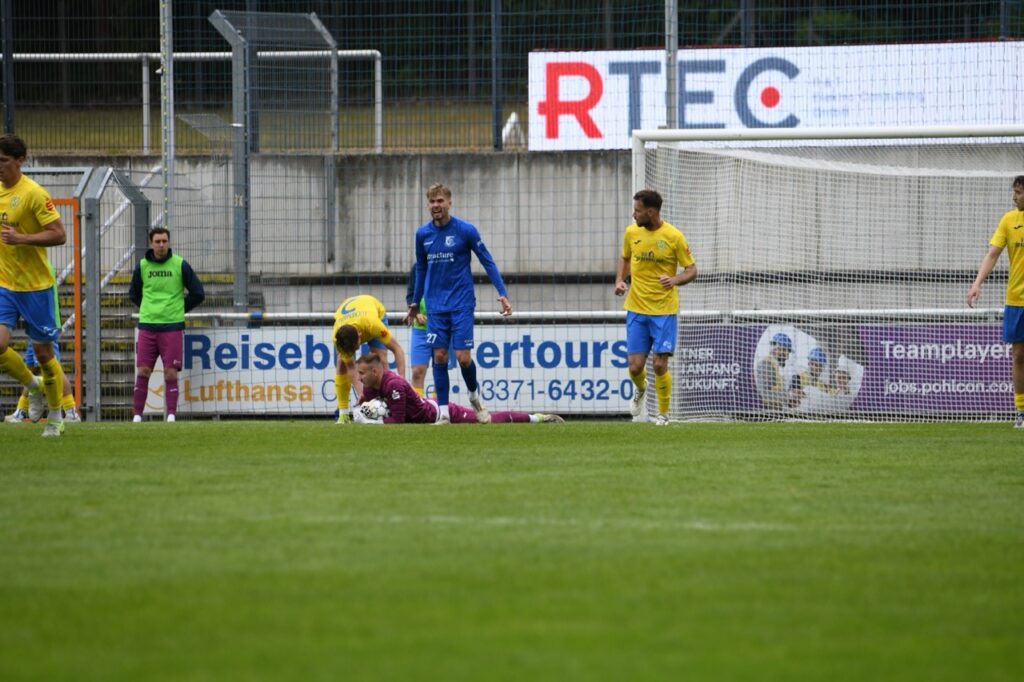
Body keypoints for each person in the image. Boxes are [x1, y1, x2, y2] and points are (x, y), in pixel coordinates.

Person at [406, 183, 512, 425]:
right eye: (432, 202)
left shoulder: (465, 230)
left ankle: (474, 396)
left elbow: (488, 261)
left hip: (462, 303)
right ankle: (443, 412)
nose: (436, 206)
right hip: (434, 305)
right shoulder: (422, 234)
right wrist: (415, 301)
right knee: (440, 355)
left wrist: (503, 292)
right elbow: (421, 269)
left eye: (440, 201)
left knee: (463, 357)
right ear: (428, 204)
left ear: (449, 203)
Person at [0, 133, 68, 437]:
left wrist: (22, 238)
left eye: (3, 161)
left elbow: (59, 234)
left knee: (44, 355)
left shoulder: (34, 194)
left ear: (19, 161)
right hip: (5, 284)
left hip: (37, 287)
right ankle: (33, 385)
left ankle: (56, 417)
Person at [614, 189, 697, 426]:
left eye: (638, 211)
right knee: (635, 366)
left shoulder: (674, 237)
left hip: (663, 311)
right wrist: (620, 280)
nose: (634, 214)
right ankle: (640, 389)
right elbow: (625, 258)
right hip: (637, 308)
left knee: (660, 364)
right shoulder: (631, 233)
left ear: (651, 212)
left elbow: (692, 269)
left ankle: (662, 414)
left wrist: (675, 280)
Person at [129, 226, 205, 423]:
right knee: (143, 370)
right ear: (151, 243)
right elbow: (134, 293)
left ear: (169, 242)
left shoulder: (180, 265)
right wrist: (149, 309)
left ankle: (171, 415)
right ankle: (137, 416)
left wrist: (178, 308)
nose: (161, 245)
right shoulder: (143, 266)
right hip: (147, 326)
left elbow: (198, 293)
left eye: (164, 241)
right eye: (158, 242)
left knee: (170, 372)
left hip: (172, 327)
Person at [354, 353, 562, 424]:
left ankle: (537, 418)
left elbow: (398, 421)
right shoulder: (372, 386)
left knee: (489, 421)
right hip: (427, 410)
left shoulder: (394, 385)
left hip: (440, 414)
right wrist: (358, 413)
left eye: (362, 374)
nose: (359, 378)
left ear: (375, 372)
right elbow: (364, 404)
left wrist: (372, 422)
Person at [967, 174, 1024, 429]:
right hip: (1016, 301)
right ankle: (1022, 412)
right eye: (1014, 192)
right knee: (1019, 356)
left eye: (1019, 192)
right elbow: (992, 254)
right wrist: (977, 283)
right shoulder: (1009, 220)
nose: (1014, 196)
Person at [5, 259, 79, 423]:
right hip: (35, 321)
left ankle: (71, 409)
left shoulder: (40, 266)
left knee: (53, 367)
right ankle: (21, 410)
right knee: (30, 367)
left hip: (45, 323)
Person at [332, 293, 407, 423]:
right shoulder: (337, 337)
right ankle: (343, 414)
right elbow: (351, 367)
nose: (356, 350)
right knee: (342, 363)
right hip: (349, 314)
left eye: (356, 348)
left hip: (372, 310)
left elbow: (397, 349)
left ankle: (387, 402)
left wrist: (402, 381)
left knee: (380, 358)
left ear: (361, 335)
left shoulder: (374, 325)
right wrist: (363, 394)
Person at [405, 263, 454, 396]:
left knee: (440, 369)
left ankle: (437, 408)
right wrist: (416, 312)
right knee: (417, 372)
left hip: (441, 327)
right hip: (420, 329)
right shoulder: (417, 267)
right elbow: (411, 294)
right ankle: (419, 410)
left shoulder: (447, 265)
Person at [755, 332, 802, 410]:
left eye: (788, 351)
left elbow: (776, 390)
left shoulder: (775, 366)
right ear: (774, 349)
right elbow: (763, 394)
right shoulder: (766, 365)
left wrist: (791, 400)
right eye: (784, 350)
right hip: (766, 412)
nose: (787, 355)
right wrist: (789, 397)